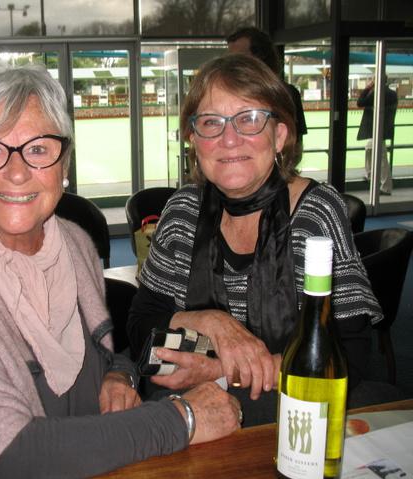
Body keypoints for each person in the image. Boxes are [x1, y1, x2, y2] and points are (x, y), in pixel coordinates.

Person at [0, 61, 242, 479]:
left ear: (63, 165)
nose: (17, 172)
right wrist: (182, 419)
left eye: (38, 149)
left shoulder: (73, 244)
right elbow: (8, 458)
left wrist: (120, 377)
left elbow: (105, 358)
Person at [127, 54, 399, 427]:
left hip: (291, 413)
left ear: (280, 136)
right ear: (193, 140)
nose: (229, 139)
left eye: (249, 119)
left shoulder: (315, 215)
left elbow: (348, 355)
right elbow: (140, 324)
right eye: (211, 122)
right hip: (196, 410)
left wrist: (225, 372)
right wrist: (211, 322)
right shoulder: (182, 212)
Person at [226, 27, 308, 163]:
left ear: (261, 58)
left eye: (239, 59)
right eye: (229, 59)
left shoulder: (287, 94)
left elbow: (295, 148)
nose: (231, 66)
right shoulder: (224, 94)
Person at [357, 78, 398, 195]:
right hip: (383, 129)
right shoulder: (392, 93)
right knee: (369, 148)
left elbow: (360, 102)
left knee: (382, 158)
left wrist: (367, 88)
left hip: (377, 129)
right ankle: (370, 175)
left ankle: (385, 187)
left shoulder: (377, 93)